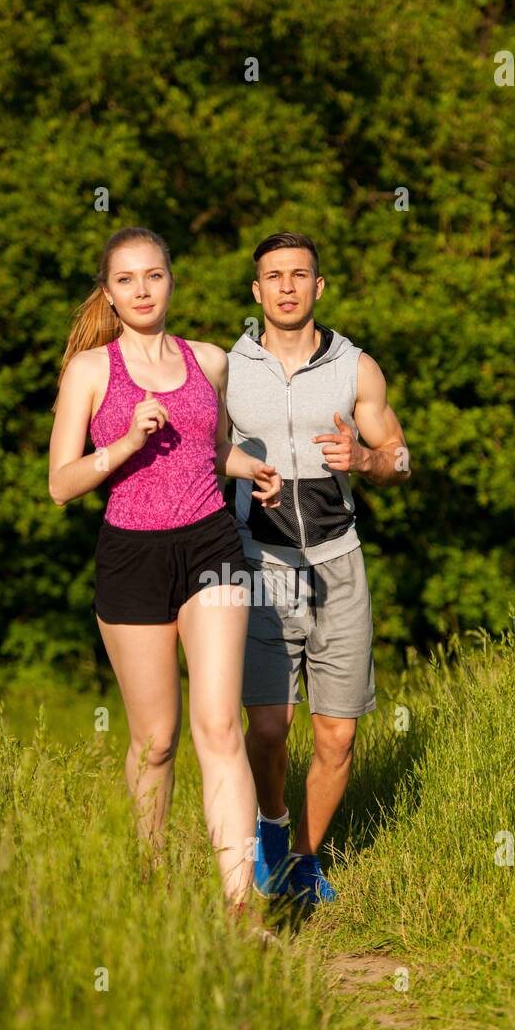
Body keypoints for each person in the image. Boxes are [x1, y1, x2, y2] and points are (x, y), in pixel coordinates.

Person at [48, 226, 282, 942]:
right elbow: (61, 484)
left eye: (154, 276)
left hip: (210, 546)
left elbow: (212, 453)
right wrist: (122, 444)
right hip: (132, 555)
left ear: (172, 281)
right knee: (156, 739)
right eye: (127, 280)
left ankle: (242, 907)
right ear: (109, 293)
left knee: (219, 727)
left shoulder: (208, 361)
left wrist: (254, 469)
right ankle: (146, 882)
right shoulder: (91, 370)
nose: (143, 290)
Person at [226, 232, 411, 906]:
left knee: (337, 734)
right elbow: (200, 451)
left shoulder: (355, 366)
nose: (285, 286)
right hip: (262, 564)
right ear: (256, 290)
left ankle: (304, 862)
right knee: (270, 726)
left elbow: (399, 456)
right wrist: (241, 468)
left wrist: (364, 460)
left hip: (340, 563)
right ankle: (270, 828)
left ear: (319, 286)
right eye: (273, 276)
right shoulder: (229, 368)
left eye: (299, 275)